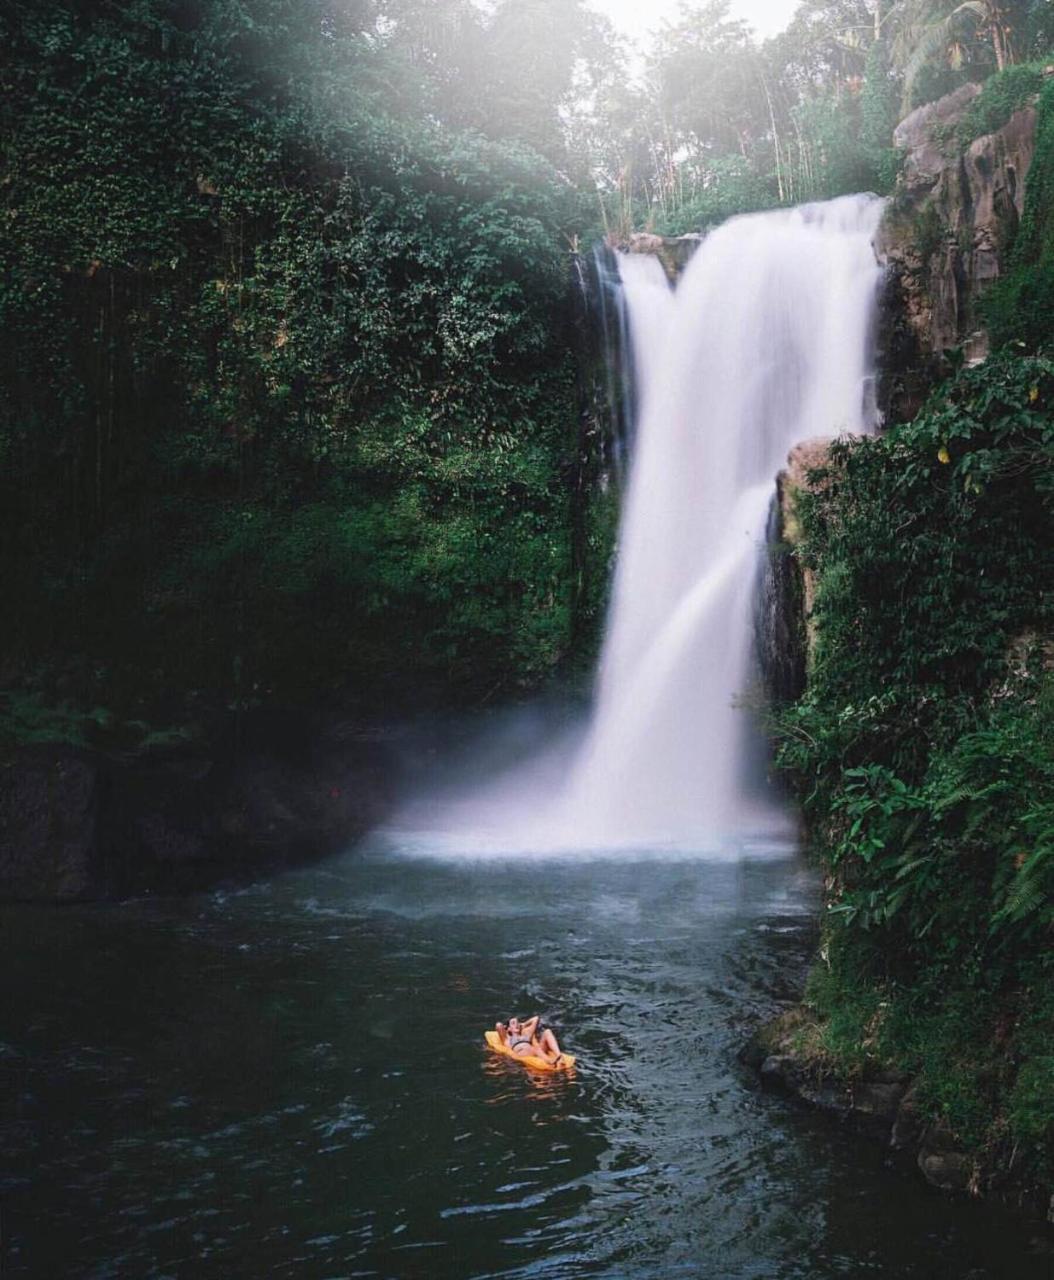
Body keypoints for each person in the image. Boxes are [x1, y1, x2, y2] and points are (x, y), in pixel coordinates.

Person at [495, 1014, 564, 1065]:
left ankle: (559, 1055)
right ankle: (549, 1061)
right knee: (535, 1048)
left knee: (547, 1032)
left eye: (518, 1023)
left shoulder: (527, 1034)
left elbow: (536, 1019)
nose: (517, 1024)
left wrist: (524, 1024)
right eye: (513, 1023)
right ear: (508, 1029)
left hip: (536, 1052)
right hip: (523, 1053)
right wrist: (505, 1028)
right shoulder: (507, 1040)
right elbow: (498, 1025)